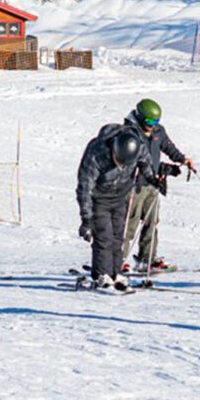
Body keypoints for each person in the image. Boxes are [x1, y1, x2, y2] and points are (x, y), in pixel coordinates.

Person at [76, 124, 157, 292]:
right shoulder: (96, 153)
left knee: (118, 236)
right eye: (118, 162)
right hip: (99, 199)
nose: (120, 167)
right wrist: (86, 219)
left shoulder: (137, 147)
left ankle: (115, 273)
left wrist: (152, 178)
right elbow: (85, 187)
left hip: (121, 196)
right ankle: (101, 275)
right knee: (103, 236)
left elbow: (145, 162)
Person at [121, 98, 195, 273]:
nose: (152, 125)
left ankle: (147, 260)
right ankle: (119, 259)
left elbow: (168, 147)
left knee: (151, 222)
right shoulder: (128, 133)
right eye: (149, 121)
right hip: (133, 184)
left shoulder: (158, 131)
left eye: (155, 121)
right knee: (128, 224)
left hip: (152, 183)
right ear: (139, 117)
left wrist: (182, 160)